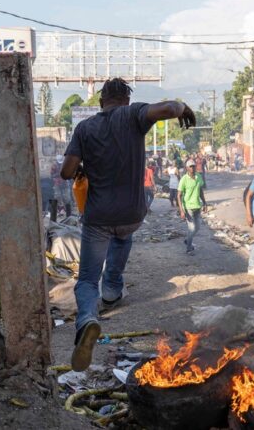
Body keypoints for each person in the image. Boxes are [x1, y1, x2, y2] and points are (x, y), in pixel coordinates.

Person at [60, 77, 196, 372]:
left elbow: (66, 171)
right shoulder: (133, 114)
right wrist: (182, 107)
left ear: (101, 102)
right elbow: (170, 107)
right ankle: (111, 290)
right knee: (123, 238)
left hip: (98, 216)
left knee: (86, 279)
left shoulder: (84, 128)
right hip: (132, 213)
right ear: (125, 99)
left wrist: (83, 166)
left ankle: (87, 319)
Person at [177, 159, 206, 255]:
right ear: (187, 168)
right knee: (192, 228)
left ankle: (188, 240)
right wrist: (181, 210)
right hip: (188, 207)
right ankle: (189, 249)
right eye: (190, 166)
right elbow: (179, 195)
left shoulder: (198, 176)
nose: (192, 168)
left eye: (193, 166)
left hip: (197, 206)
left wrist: (205, 203)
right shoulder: (184, 179)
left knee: (197, 228)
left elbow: (201, 190)